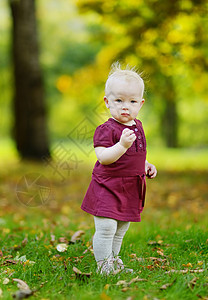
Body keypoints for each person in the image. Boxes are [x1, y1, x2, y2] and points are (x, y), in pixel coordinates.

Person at [81, 62, 157, 275]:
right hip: (108, 186)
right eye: (119, 100)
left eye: (132, 101)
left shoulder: (138, 126)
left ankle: (113, 260)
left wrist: (146, 165)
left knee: (121, 228)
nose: (126, 106)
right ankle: (103, 266)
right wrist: (121, 145)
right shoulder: (106, 130)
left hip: (130, 187)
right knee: (106, 228)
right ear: (107, 102)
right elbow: (104, 158)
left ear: (140, 104)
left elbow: (136, 156)